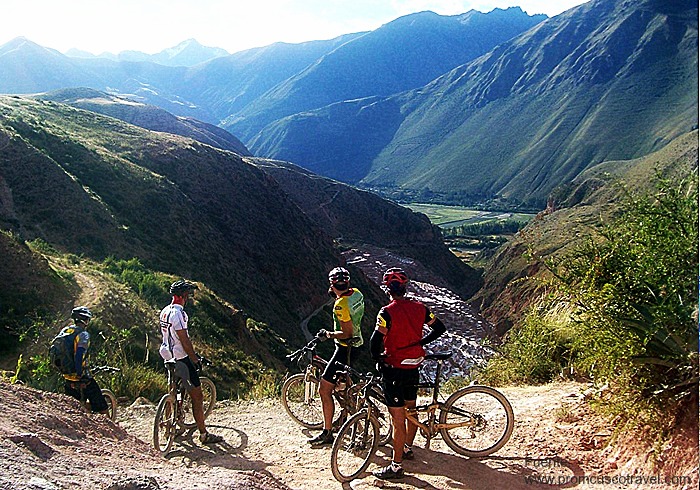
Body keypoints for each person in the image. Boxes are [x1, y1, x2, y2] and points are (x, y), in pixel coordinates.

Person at [370, 268, 446, 480]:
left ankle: (396, 466)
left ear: (388, 289)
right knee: (411, 409)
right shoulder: (421, 308)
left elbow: (375, 342)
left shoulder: (386, 312)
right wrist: (421, 343)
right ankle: (407, 448)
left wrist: (378, 359)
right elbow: (439, 328)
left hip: (395, 367)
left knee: (398, 418)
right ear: (405, 287)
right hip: (414, 365)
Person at [159, 279, 223, 444]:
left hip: (167, 356)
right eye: (188, 294)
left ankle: (168, 430)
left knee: (172, 390)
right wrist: (194, 359)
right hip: (180, 357)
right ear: (184, 295)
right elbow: (184, 340)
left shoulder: (164, 311)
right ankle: (204, 434)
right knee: (197, 396)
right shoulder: (179, 314)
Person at [307, 267, 365, 446]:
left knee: (324, 390)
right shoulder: (357, 293)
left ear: (332, 284)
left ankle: (327, 432)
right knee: (343, 385)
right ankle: (346, 415)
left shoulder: (340, 305)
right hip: (359, 344)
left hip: (345, 348)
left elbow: (346, 332)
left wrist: (328, 335)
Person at [61, 306, 110, 414]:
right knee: (102, 406)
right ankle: (110, 428)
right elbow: (79, 355)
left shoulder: (66, 330)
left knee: (73, 406)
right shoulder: (83, 335)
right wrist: (80, 374)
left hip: (67, 375)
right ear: (86, 320)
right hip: (80, 377)